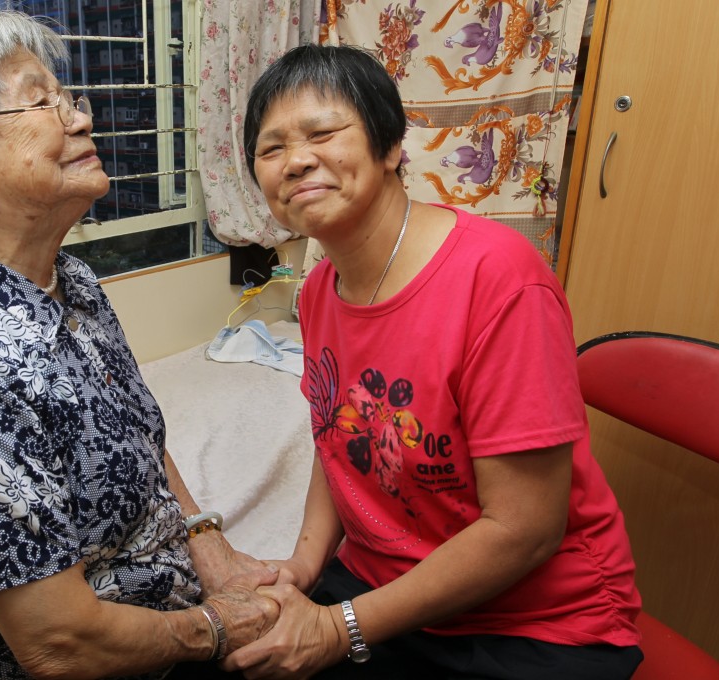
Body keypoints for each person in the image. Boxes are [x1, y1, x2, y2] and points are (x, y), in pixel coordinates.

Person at [0, 11, 278, 679]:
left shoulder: (64, 276)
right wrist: (217, 629)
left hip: (156, 605)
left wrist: (208, 547)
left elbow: (132, 432)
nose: (80, 118)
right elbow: (58, 649)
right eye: (40, 101)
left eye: (67, 96)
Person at [224, 44, 643, 679]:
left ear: (392, 146)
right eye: (271, 148)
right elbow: (340, 436)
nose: (297, 160)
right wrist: (304, 567)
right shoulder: (317, 291)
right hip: (383, 584)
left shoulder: (498, 280)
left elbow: (524, 531)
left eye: (323, 132)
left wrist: (339, 628)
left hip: (534, 621)